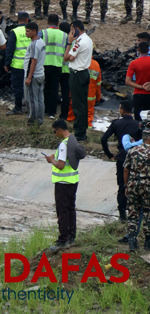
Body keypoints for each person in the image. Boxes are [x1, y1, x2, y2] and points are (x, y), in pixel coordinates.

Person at [46, 118, 86, 252]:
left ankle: (63, 241)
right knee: (70, 209)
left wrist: (52, 160)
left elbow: (61, 165)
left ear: (59, 130)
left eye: (54, 132)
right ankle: (71, 238)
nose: (54, 134)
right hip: (73, 181)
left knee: (62, 211)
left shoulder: (64, 144)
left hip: (63, 183)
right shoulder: (73, 140)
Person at [102, 100, 144, 223]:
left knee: (122, 185)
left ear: (122, 110)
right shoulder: (138, 124)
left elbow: (103, 139)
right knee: (136, 184)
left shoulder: (116, 123)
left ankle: (122, 215)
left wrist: (110, 155)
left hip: (121, 158)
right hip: (136, 158)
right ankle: (136, 213)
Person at [65, 19, 94, 142]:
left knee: (78, 104)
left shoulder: (78, 42)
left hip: (77, 74)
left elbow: (66, 58)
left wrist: (69, 42)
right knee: (82, 103)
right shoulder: (87, 39)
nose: (71, 32)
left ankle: (79, 133)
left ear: (76, 28)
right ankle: (81, 131)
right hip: (83, 73)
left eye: (72, 29)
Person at [22, 22, 47, 125]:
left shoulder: (34, 44)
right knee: (40, 99)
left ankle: (33, 120)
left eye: (28, 31)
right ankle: (40, 120)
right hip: (41, 74)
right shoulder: (41, 42)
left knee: (32, 99)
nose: (26, 33)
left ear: (34, 31)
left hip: (34, 76)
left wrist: (29, 77)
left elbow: (33, 61)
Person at [127, 42, 150, 121]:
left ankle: (139, 133)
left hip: (139, 94)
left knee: (138, 120)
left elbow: (128, 81)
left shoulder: (133, 63)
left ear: (138, 50)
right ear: (148, 50)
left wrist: (142, 87)